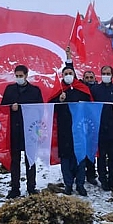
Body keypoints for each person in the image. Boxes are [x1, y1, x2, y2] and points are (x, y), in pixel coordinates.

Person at [0, 64, 44, 198]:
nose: (19, 78)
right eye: (17, 76)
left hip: (30, 130)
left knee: (30, 159)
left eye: (21, 76)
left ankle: (31, 187)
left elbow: (41, 110)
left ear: (26, 75)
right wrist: (9, 108)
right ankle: (15, 188)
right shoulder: (10, 89)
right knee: (15, 160)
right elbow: (2, 108)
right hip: (15, 129)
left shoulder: (35, 90)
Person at [49, 66, 92, 196]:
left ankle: (80, 184)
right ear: (62, 75)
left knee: (80, 155)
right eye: (66, 73)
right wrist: (59, 100)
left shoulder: (82, 89)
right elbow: (50, 106)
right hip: (64, 129)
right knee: (66, 157)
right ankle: (68, 184)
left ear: (74, 74)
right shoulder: (59, 90)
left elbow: (90, 104)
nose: (68, 75)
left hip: (79, 128)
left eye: (70, 73)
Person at [91, 66, 113, 191]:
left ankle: (112, 178)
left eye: (108, 73)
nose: (106, 75)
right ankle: (103, 179)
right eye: (104, 73)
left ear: (112, 74)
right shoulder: (95, 89)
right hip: (99, 127)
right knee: (101, 156)